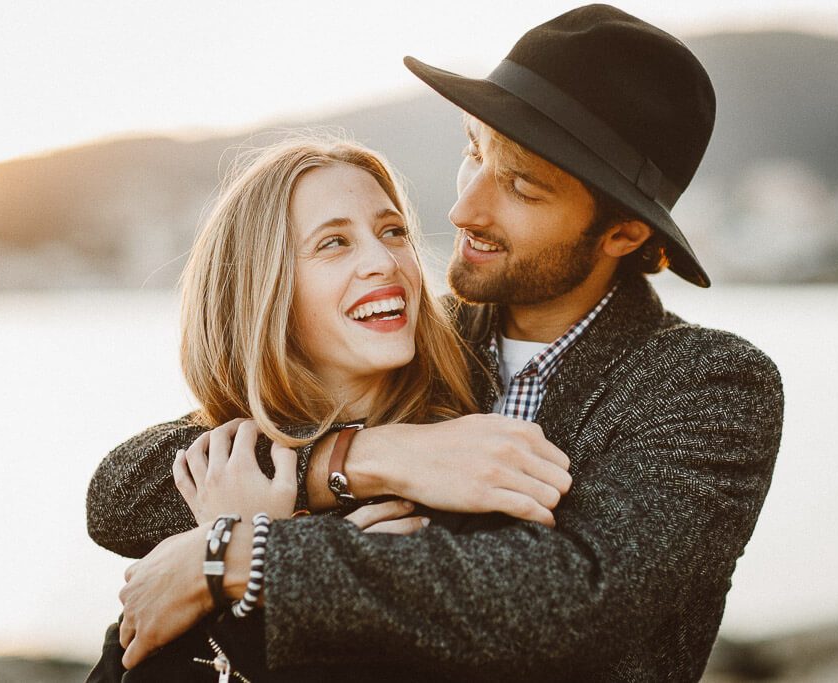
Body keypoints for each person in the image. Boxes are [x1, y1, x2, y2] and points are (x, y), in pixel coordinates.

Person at [88, 5, 784, 681]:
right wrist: (365, 458)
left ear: (623, 233)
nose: (463, 209)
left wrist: (234, 558)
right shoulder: (412, 332)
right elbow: (124, 494)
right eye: (473, 151)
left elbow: (575, 601)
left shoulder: (708, 383)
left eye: (520, 186)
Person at [85, 134, 572, 681]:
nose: (383, 262)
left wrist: (248, 565)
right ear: (263, 290)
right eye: (334, 243)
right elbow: (112, 501)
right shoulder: (227, 463)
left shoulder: (461, 476)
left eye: (393, 232)